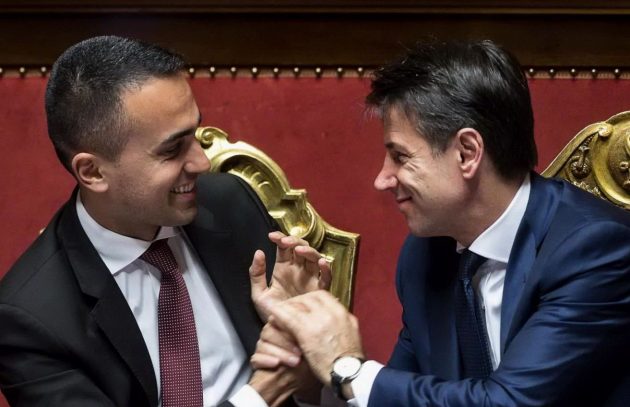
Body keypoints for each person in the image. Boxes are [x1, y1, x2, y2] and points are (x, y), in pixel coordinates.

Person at [252, 40, 630, 406]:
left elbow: (509, 402)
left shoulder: (594, 250)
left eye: (400, 157)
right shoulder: (425, 254)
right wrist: (311, 364)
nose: (382, 179)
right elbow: (405, 397)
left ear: (467, 153)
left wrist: (346, 369)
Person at [0, 35, 330, 407]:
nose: (202, 163)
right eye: (172, 149)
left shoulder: (230, 204)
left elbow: (310, 390)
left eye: (195, 134)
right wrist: (264, 392)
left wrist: (306, 344)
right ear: (92, 172)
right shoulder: (30, 319)